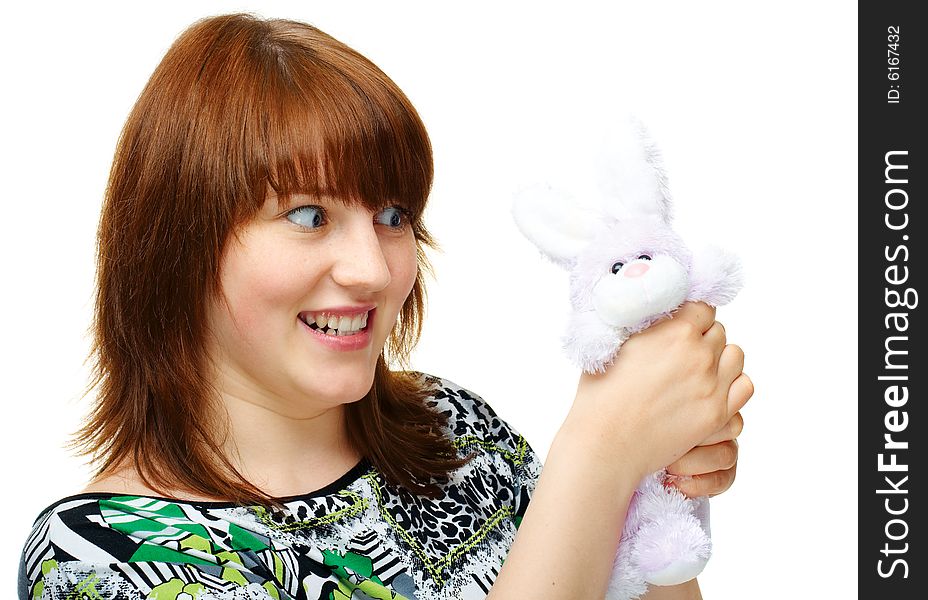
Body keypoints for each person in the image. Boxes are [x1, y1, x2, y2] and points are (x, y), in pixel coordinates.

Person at [18, 13, 752, 600]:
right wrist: (600, 453)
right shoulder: (101, 561)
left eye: (394, 214)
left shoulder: (457, 432)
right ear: (179, 243)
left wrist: (657, 483)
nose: (373, 268)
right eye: (308, 216)